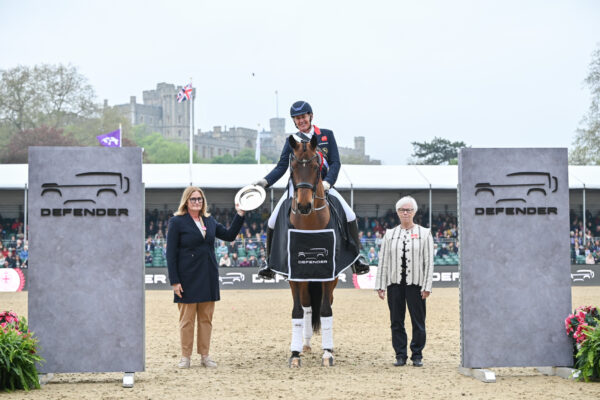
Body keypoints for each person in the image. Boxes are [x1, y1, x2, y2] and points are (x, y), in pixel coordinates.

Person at [252, 100, 370, 278]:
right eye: (297, 118)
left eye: (303, 117)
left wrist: (328, 182)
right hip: (298, 188)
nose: (301, 120)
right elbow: (282, 166)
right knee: (272, 220)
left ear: (310, 116)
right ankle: (269, 262)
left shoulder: (326, 135)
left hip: (323, 185)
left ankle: (356, 258)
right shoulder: (291, 141)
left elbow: (335, 162)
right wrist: (264, 182)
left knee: (350, 214)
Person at [166, 186, 245, 369]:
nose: (197, 202)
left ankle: (205, 356)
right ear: (186, 201)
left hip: (208, 275)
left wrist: (240, 214)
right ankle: (185, 357)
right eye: (193, 199)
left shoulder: (209, 221)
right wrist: (175, 281)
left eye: (199, 199)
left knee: (205, 320)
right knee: (186, 320)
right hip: (186, 278)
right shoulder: (177, 222)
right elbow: (171, 254)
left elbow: (229, 234)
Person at [375, 196, 434, 367]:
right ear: (397, 212)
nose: (405, 213)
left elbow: (429, 261)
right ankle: (400, 354)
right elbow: (383, 260)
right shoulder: (390, 234)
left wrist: (427, 286)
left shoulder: (425, 233)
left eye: (408, 210)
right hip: (394, 284)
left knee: (418, 321)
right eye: (402, 210)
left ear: (414, 212)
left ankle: (417, 354)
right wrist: (380, 285)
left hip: (416, 284)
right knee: (396, 321)